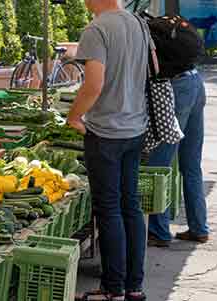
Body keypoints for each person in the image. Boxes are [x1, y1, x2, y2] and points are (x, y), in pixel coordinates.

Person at [67, 0, 155, 300]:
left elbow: (94, 84)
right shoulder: (138, 24)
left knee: (109, 209)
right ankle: (134, 287)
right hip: (135, 128)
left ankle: (112, 288)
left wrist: (74, 116)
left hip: (106, 133)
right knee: (130, 206)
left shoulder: (97, 28)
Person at [146, 18, 209, 247]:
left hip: (178, 88)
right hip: (195, 82)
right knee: (191, 164)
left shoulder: (143, 31)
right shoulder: (162, 26)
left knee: (159, 165)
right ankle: (199, 228)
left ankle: (158, 232)